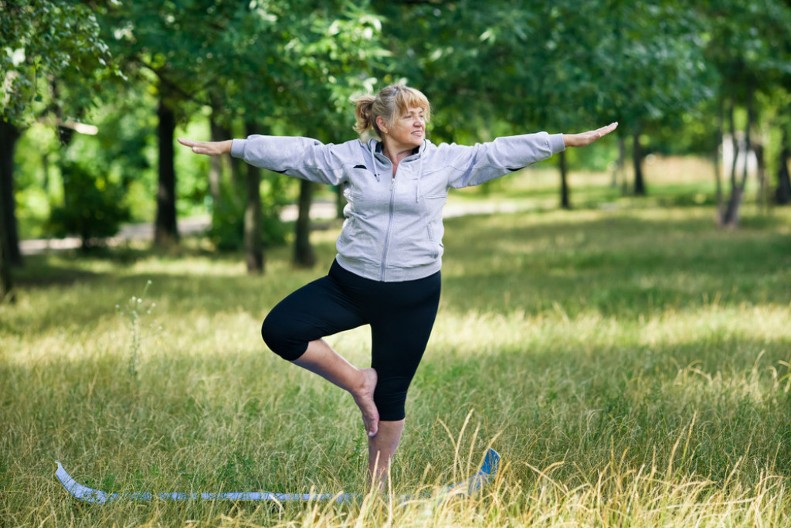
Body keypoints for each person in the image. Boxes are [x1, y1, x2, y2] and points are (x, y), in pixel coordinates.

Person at [178, 82, 617, 488]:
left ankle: (376, 487)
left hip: (413, 293)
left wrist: (561, 141)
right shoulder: (350, 156)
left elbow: (498, 152)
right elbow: (299, 154)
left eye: (423, 114)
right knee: (280, 329)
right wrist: (234, 146)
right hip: (349, 284)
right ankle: (356, 381)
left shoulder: (443, 161)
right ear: (382, 123)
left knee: (392, 394)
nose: (420, 122)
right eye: (410, 115)